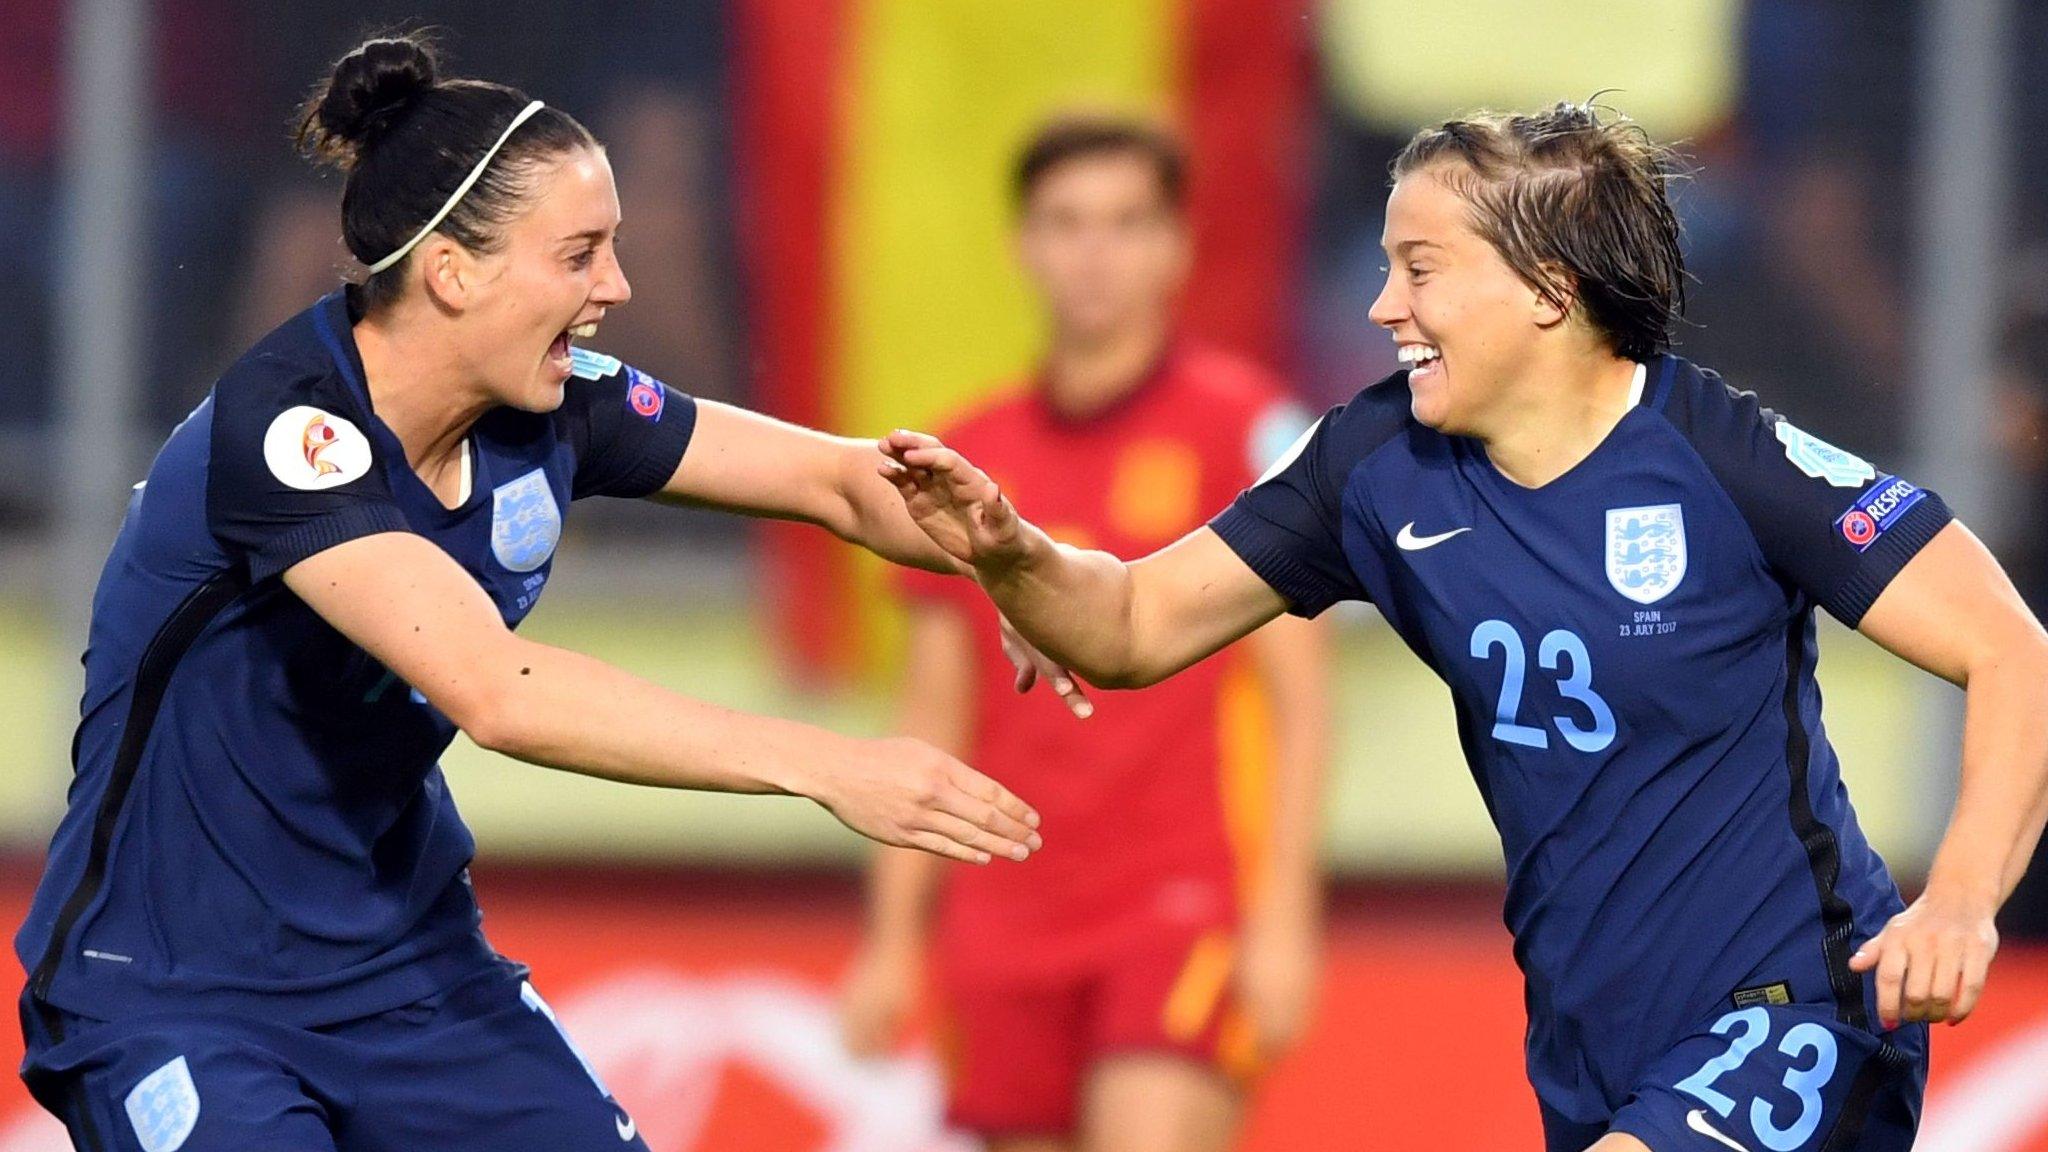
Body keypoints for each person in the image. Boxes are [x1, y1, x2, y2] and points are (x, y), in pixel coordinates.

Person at [883, 103, 2048, 1151]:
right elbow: (1130, 623)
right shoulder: (1374, 464)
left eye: (1420, 269)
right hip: (1590, 1044)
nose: (1383, 306)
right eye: (1386, 265)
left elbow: (2012, 651)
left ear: (1546, 288)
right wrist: (1014, 555)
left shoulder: (1726, 459)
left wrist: (1953, 899)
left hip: (1792, 1011)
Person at [13, 34, 1043, 1152]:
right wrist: (825, 763)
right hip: (178, 990)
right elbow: (497, 690)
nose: (617, 289)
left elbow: (838, 480)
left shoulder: (557, 401)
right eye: (579, 255)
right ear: (454, 272)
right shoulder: (287, 432)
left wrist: (1019, 565)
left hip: (407, 973)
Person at [837, 118, 1330, 1152]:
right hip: (1004, 918)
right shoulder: (964, 457)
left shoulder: (1243, 432)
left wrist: (1283, 920)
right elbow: (932, 714)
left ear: (1175, 246)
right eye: (1065, 223)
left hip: (1181, 900)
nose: (1093, 254)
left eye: (1124, 223)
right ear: (1021, 244)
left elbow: (1298, 699)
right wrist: (889, 939)